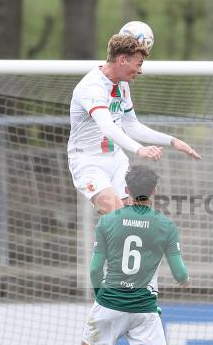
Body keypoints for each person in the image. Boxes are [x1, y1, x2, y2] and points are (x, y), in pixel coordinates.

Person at [54, 165, 190, 345]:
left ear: (126, 190)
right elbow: (180, 274)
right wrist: (183, 278)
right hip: (144, 308)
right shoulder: (165, 226)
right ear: (154, 191)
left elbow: (94, 270)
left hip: (110, 303)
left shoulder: (108, 221)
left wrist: (100, 295)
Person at [67, 31, 201, 215]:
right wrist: (140, 149)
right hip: (88, 162)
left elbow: (131, 126)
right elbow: (107, 127)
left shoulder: (122, 85)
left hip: (116, 160)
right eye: (138, 64)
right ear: (122, 59)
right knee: (117, 218)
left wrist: (173, 141)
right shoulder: (91, 87)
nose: (140, 70)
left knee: (134, 219)